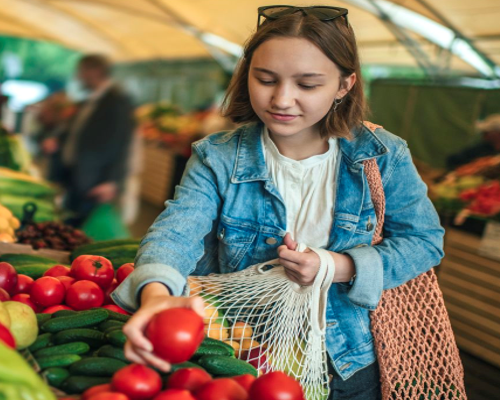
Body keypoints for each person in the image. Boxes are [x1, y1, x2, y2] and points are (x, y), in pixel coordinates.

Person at [111, 6, 444, 399]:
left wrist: (338, 265)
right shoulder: (217, 157)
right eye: (266, 79)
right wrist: (156, 296)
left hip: (351, 363)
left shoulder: (383, 155)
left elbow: (425, 241)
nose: (282, 99)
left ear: (344, 85)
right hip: (244, 354)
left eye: (307, 85)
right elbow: (176, 231)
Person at [42, 54, 135, 226]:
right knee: (68, 222)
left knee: (82, 228)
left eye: (82, 72)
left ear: (96, 71)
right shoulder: (89, 100)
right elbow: (77, 131)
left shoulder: (117, 102)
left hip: (94, 182)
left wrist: (112, 181)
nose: (78, 77)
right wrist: (57, 140)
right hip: (75, 176)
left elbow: (122, 144)